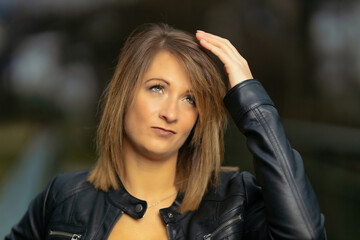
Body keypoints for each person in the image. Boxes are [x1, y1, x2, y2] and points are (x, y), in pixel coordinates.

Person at [6, 23, 326, 240]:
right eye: (157, 88)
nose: (171, 113)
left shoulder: (236, 201)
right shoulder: (63, 197)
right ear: (125, 94)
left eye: (190, 99)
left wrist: (252, 102)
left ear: (198, 118)